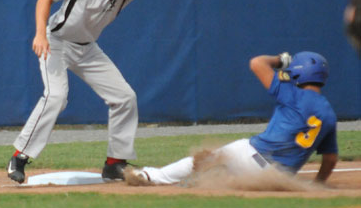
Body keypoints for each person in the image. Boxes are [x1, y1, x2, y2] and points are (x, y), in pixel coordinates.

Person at [7, 0, 170, 183]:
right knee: (56, 97)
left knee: (125, 97)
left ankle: (115, 163)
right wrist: (40, 33)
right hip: (57, 42)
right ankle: (19, 157)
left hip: (87, 49)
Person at [125, 51, 338, 186]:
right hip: (279, 178)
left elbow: (256, 63)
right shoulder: (329, 114)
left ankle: (150, 176)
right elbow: (330, 159)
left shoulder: (292, 93)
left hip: (253, 155)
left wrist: (280, 60)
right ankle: (207, 178)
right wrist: (318, 184)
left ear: (299, 73)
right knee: (223, 172)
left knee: (202, 159)